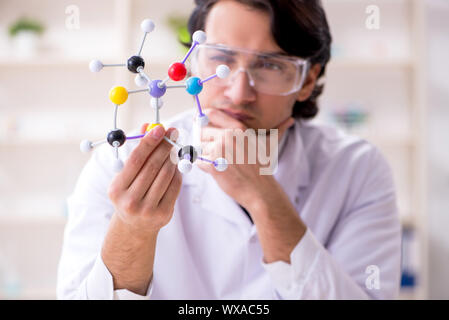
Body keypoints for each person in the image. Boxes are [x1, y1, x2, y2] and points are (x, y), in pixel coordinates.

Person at [57, 0, 401, 299]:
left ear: (307, 81)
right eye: (220, 59)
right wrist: (133, 231)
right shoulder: (118, 161)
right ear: (191, 61)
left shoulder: (358, 169)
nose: (239, 93)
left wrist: (265, 198)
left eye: (270, 66)